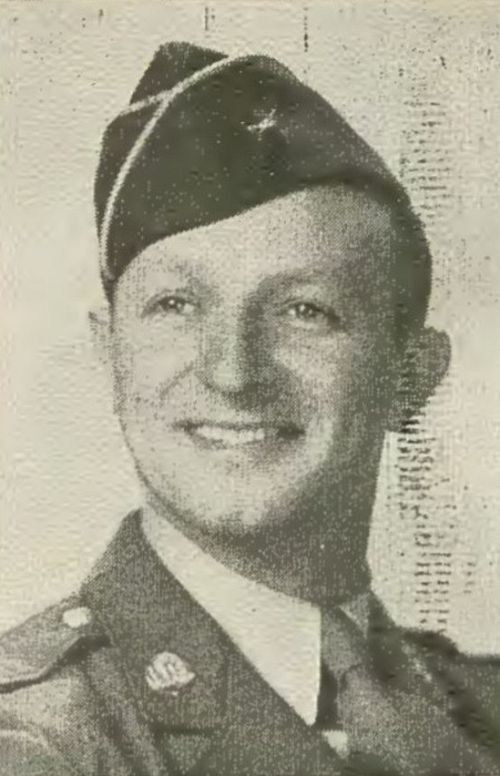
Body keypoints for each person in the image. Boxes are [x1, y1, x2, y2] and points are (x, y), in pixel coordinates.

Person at [0, 41, 499, 776]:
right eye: (176, 305)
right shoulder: (38, 741)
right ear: (112, 357)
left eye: (304, 310)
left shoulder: (479, 712)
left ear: (412, 378)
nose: (231, 373)